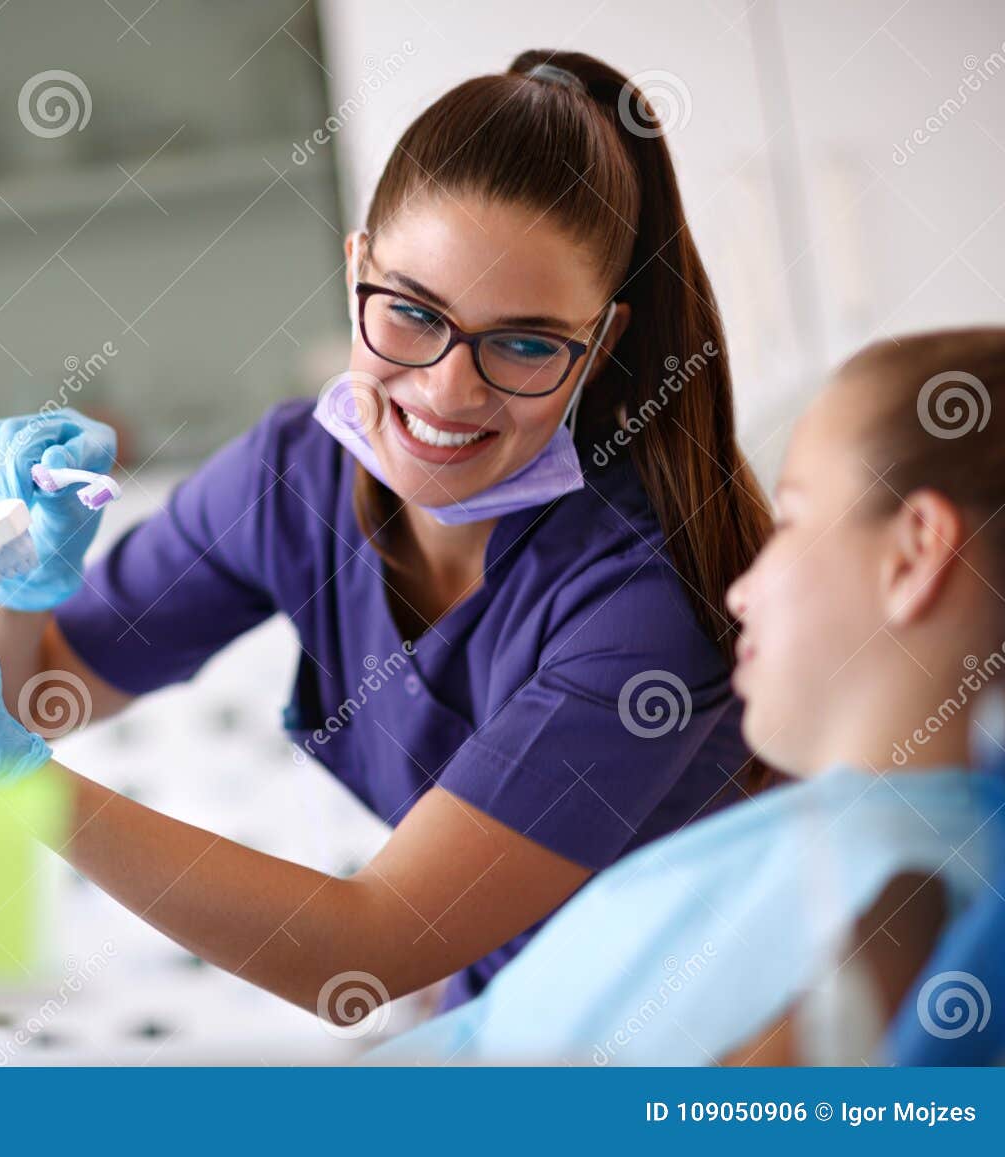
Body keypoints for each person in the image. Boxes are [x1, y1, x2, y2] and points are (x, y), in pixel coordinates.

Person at [0, 50, 772, 1019]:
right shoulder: (292, 478)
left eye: (526, 341)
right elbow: (38, 690)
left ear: (603, 343)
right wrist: (18, 578)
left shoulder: (643, 600)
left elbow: (366, 949)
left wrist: (7, 775)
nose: (447, 391)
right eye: (414, 314)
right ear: (355, 274)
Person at [369, 327, 1005, 1064]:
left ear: (914, 553)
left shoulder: (901, 894)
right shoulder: (876, 846)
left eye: (790, 519)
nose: (740, 590)